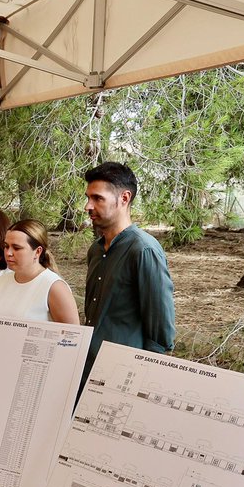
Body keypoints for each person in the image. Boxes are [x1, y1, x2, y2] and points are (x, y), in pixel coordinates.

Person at [82, 162, 176, 378]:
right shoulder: (95, 250)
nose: (88, 206)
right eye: (88, 198)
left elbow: (161, 331)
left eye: (97, 198)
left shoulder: (144, 250)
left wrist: (145, 377)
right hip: (89, 368)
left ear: (124, 198)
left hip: (125, 372)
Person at [0, 219, 79, 324]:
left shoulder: (55, 287)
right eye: (6, 246)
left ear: (38, 251)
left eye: (16, 248)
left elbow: (72, 336)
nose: (8, 253)